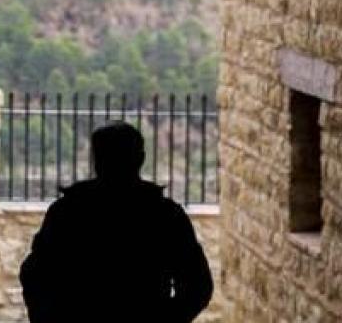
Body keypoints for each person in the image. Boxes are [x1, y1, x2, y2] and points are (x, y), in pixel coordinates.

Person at [19, 121, 212, 322]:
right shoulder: (166, 215)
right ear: (140, 158)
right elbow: (198, 286)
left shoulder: (67, 211)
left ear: (96, 160)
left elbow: (35, 275)